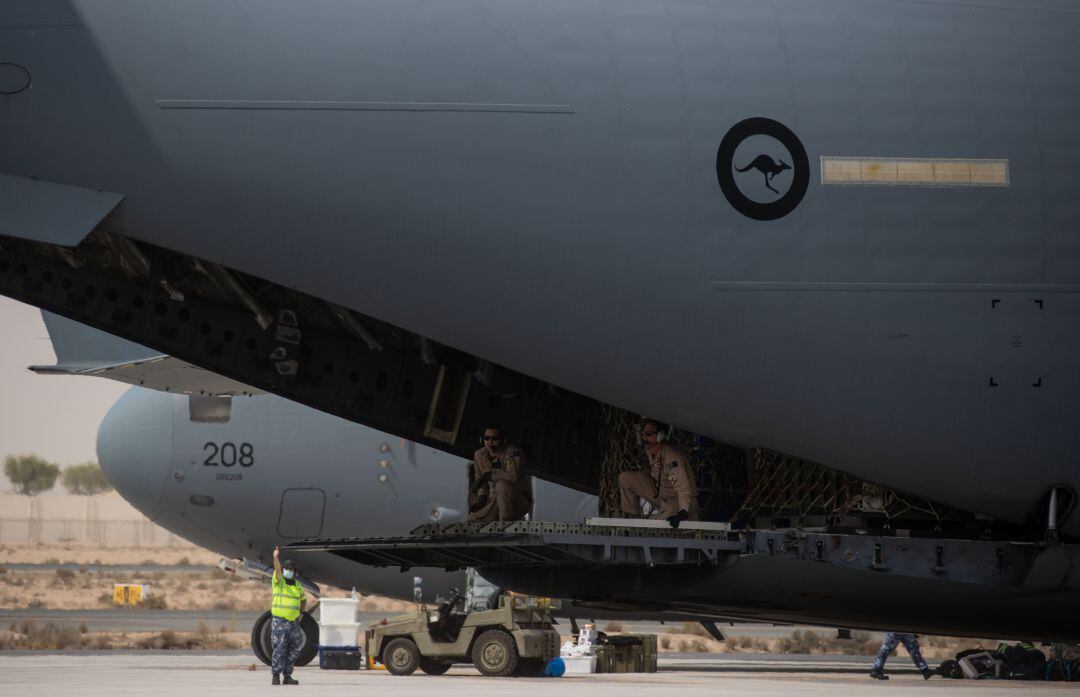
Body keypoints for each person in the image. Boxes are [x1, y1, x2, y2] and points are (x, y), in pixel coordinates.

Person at [617, 419, 699, 528]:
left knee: (655, 525)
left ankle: (687, 514)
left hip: (677, 501)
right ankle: (631, 518)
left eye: (649, 434)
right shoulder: (650, 450)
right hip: (660, 494)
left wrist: (683, 512)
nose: (644, 438)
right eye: (643, 434)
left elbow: (683, 488)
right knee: (625, 478)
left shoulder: (671, 459)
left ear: (660, 436)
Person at [467, 424, 531, 522]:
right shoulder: (479, 455)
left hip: (517, 500)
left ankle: (505, 524)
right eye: (487, 439)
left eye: (494, 439)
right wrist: (481, 501)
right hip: (494, 501)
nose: (490, 443)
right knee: (472, 522)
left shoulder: (512, 453)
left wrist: (489, 476)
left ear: (503, 440)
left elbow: (513, 477)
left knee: (502, 485)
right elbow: (480, 481)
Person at [270, 546, 312, 685]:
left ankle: (287, 676)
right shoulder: (279, 582)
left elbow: (303, 599)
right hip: (280, 622)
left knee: (294, 648)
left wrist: (300, 613)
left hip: (293, 623)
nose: (289, 571)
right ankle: (275, 676)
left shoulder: (297, 585)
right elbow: (276, 570)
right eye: (287, 569)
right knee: (279, 649)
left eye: (291, 569)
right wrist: (276, 557)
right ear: (283, 570)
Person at [870, 632, 935, 680]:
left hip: (901, 630)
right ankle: (876, 670)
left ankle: (925, 671)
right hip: (900, 630)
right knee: (913, 650)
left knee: (886, 649)